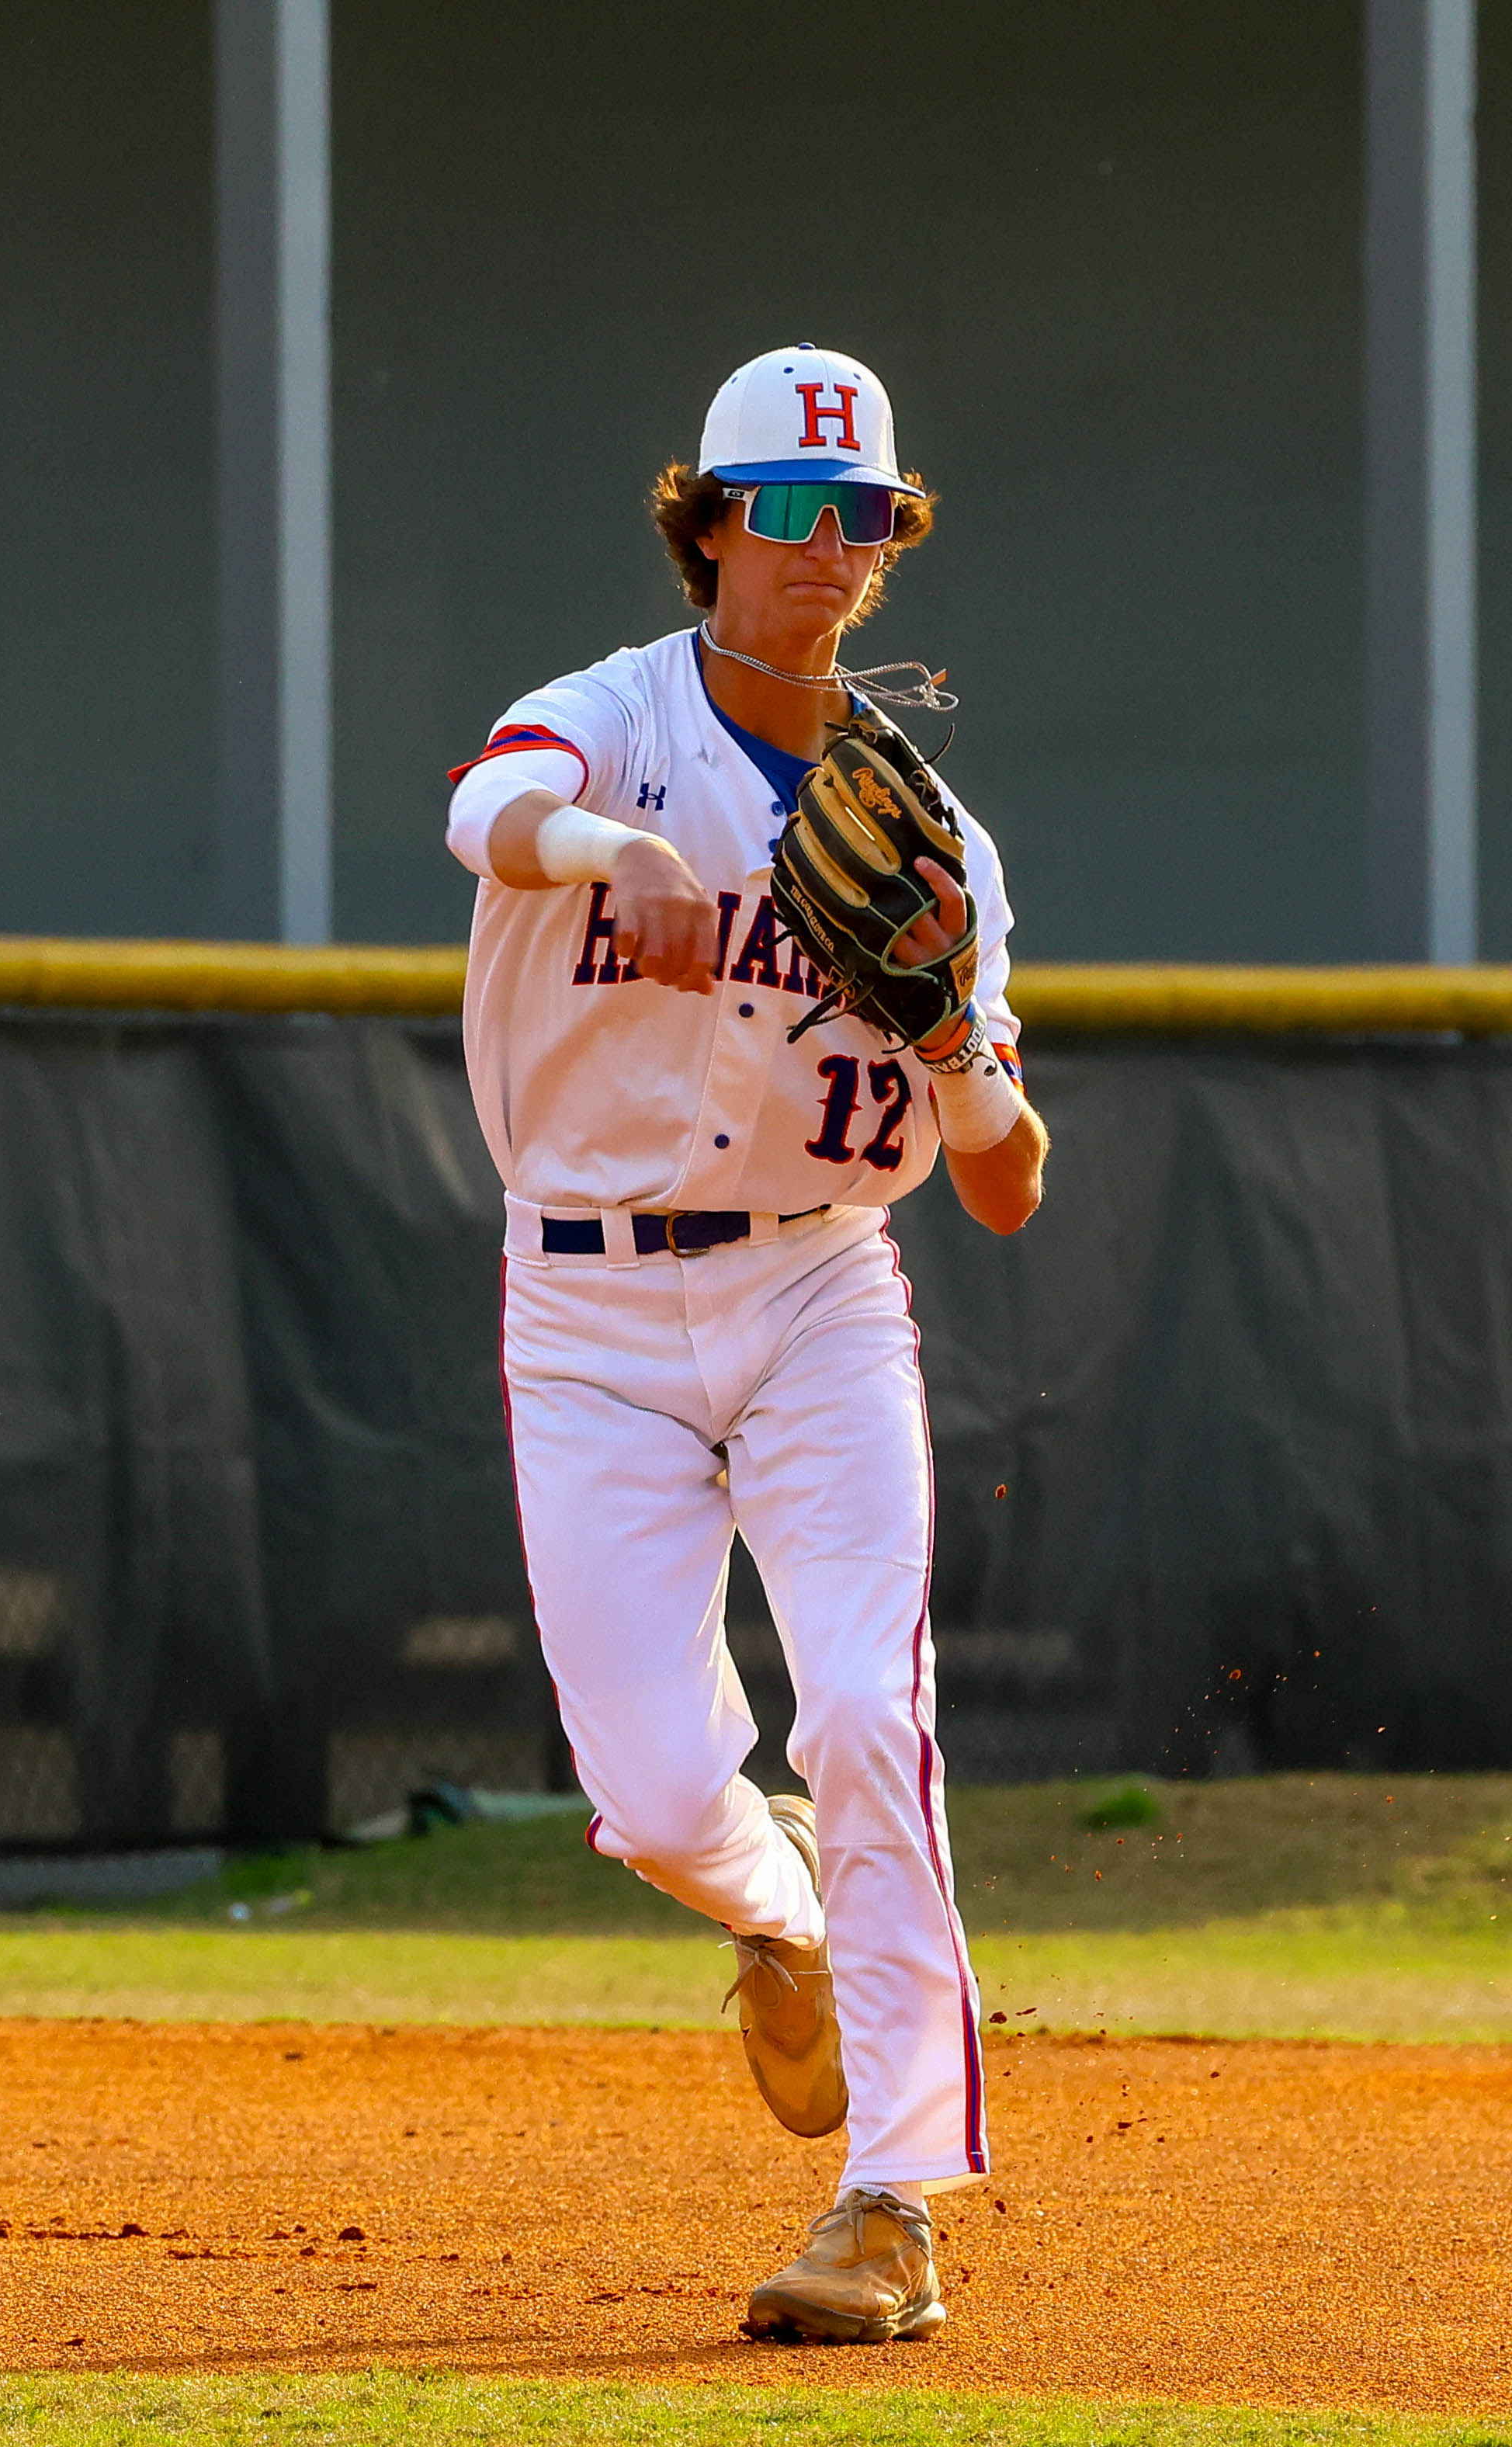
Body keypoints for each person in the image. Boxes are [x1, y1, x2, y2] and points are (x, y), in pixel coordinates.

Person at [444, 343, 1046, 2345]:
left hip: (816, 1294)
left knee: (873, 1713)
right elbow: (488, 805)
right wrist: (612, 852)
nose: (816, 546)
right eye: (777, 510)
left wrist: (958, 1039)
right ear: (705, 525)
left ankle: (895, 2202)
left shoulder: (928, 826)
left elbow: (1009, 1184)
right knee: (645, 1783)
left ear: (888, 547)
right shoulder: (610, 719)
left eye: (855, 515)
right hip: (589, 1304)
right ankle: (776, 1918)